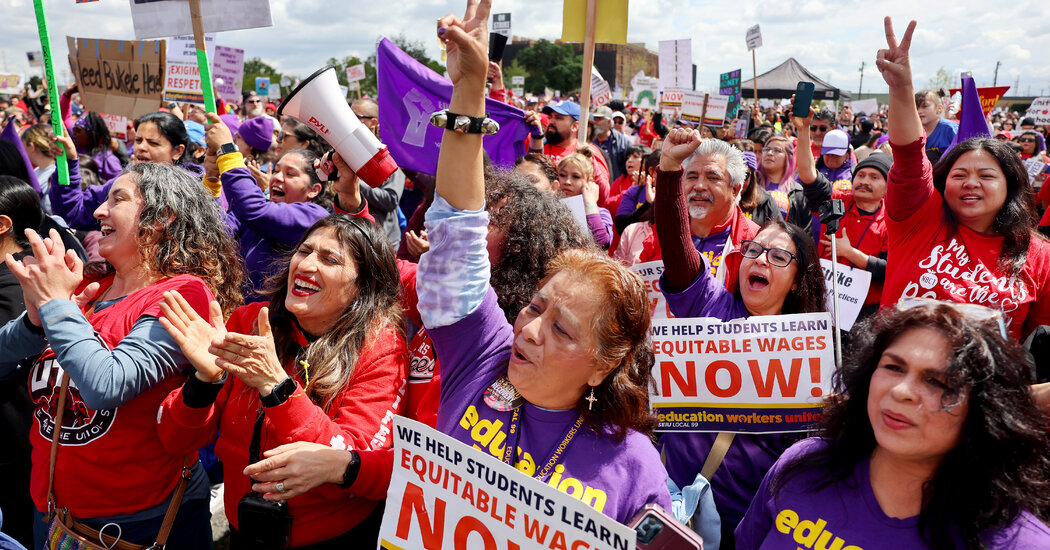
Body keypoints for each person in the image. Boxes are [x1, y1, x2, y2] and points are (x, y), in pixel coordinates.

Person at [419, 0, 671, 524]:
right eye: (535, 308)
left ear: (603, 366)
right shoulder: (481, 358)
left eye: (563, 330)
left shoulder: (635, 467)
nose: (529, 332)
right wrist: (468, 91)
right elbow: (457, 230)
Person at [0, 162, 243, 549]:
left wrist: (57, 304)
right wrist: (33, 321)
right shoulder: (94, 287)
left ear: (161, 218)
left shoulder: (184, 294)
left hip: (132, 525)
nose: (99, 211)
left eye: (118, 199)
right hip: (53, 512)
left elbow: (105, 385)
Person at [157, 214, 408, 547]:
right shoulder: (251, 321)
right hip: (244, 528)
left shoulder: (382, 348)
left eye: (330, 259)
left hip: (331, 537)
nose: (305, 265)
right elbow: (175, 441)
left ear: (361, 287)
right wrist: (205, 380)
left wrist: (277, 387)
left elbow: (354, 458)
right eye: (304, 251)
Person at [736, 300, 1050, 549]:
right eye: (894, 367)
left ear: (985, 408)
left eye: (937, 381)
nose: (901, 392)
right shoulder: (803, 465)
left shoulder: (1021, 543)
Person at [654, 127, 828, 547]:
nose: (761, 257)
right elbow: (677, 245)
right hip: (660, 502)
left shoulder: (811, 352)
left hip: (738, 524)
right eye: (754, 250)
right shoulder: (710, 303)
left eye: (779, 255)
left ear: (796, 282)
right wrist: (669, 170)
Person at [874, 17, 1050, 342]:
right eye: (959, 174)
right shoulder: (919, 220)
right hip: (898, 387)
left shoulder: (1038, 254)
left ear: (1009, 185)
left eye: (986, 175)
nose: (971, 182)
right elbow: (910, 156)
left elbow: (1038, 344)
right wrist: (901, 89)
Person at [204, 114, 331, 302]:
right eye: (277, 170)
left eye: (290, 174)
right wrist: (213, 180)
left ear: (314, 190)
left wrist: (228, 151)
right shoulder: (263, 209)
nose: (277, 178)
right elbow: (215, 233)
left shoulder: (315, 218)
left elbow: (253, 210)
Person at [796, 106, 891, 319]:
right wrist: (803, 131)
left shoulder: (891, 221)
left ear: (887, 187)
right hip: (822, 306)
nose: (865, 181)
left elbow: (889, 271)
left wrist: (849, 253)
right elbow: (808, 174)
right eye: (861, 175)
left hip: (866, 315)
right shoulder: (836, 200)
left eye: (875, 178)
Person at [639, 137, 760, 291]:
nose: (700, 186)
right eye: (692, 177)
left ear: (735, 190)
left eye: (713, 177)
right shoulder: (658, 239)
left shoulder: (754, 244)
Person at [49, 111, 197, 230]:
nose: (141, 147)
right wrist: (67, 162)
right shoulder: (125, 182)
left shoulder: (194, 191)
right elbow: (74, 212)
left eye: (153, 143)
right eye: (138, 140)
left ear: (177, 151)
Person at [351, 99, 407, 248]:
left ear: (373, 122)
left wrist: (354, 183)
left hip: (382, 244)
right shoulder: (347, 149)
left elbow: (391, 199)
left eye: (355, 116)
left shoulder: (387, 154)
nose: (348, 120)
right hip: (353, 238)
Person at [556, 151, 613, 249]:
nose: (567, 182)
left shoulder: (600, 213)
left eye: (576, 177)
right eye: (562, 175)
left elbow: (601, 243)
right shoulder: (548, 205)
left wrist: (590, 203)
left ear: (589, 182)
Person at [70, 112, 124, 182]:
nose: (74, 134)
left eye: (78, 130)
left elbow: (118, 185)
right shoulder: (76, 150)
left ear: (92, 134)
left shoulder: (108, 160)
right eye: (74, 130)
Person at [915, 88, 958, 164]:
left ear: (939, 108)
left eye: (925, 106)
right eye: (916, 107)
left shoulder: (951, 129)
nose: (919, 111)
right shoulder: (914, 133)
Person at [20, 124, 56, 213]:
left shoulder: (54, 174)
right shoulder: (36, 171)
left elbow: (51, 209)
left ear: (31, 147)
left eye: (23, 146)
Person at [591, 105, 632, 182]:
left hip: (614, 188)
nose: (595, 122)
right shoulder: (588, 140)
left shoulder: (624, 143)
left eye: (599, 119)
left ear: (609, 122)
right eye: (594, 119)